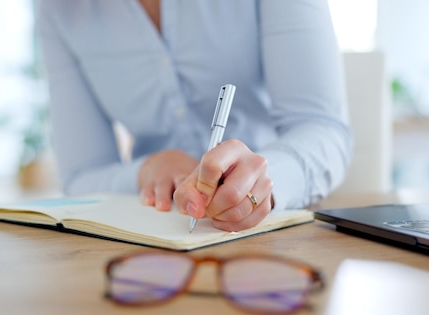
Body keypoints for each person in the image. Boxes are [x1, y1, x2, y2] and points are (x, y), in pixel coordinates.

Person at [36, 0, 351, 232]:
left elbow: (322, 129)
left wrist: (264, 180)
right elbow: (80, 175)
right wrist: (146, 170)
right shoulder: (58, 10)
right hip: (154, 231)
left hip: (273, 231)